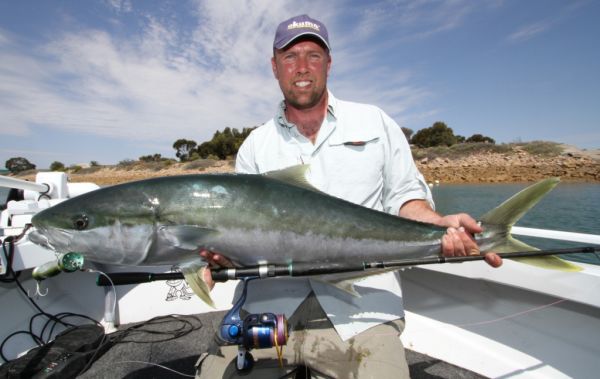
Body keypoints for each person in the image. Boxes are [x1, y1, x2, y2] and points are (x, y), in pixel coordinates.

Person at [196, 14, 502, 379]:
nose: (302, 67)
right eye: (290, 57)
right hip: (270, 306)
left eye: (313, 55)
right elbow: (240, 227)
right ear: (274, 67)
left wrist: (440, 225)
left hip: (362, 310)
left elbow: (406, 200)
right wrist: (216, 254)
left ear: (329, 63)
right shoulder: (255, 146)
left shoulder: (375, 122)